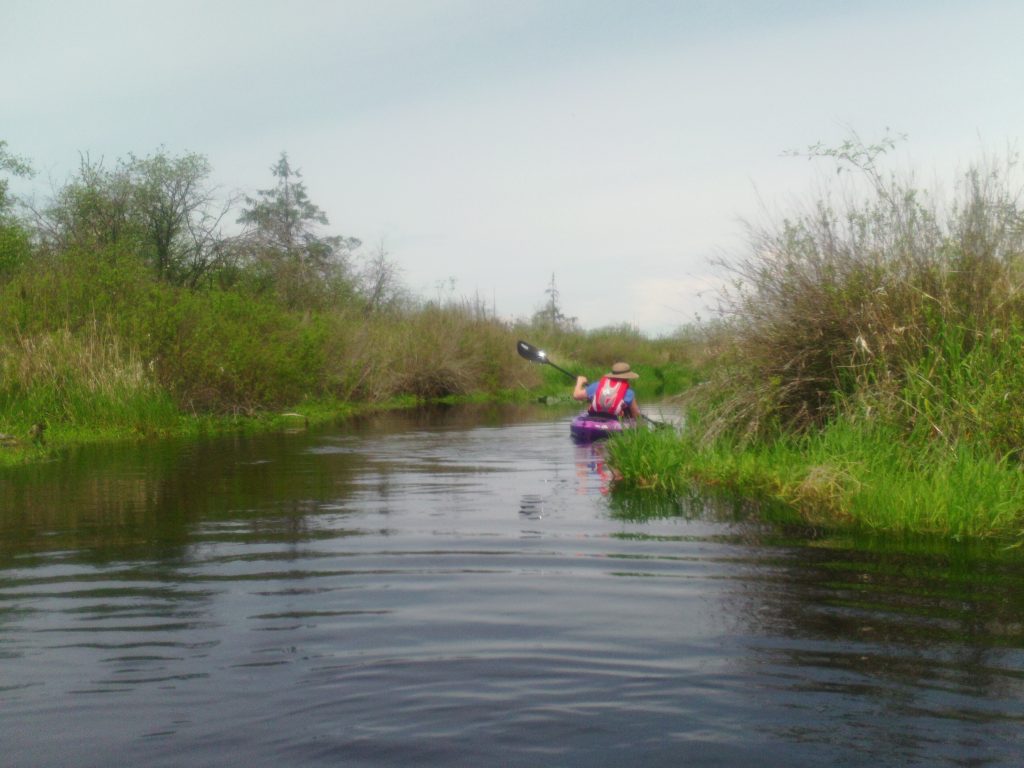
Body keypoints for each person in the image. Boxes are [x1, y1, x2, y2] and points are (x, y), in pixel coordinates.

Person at [572, 362, 641, 421]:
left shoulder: (596, 385)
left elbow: (576, 395)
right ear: (627, 377)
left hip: (594, 417)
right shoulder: (629, 392)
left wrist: (579, 381)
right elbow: (636, 415)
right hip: (615, 420)